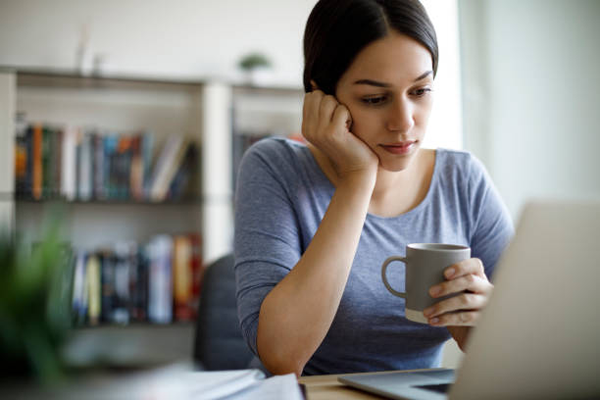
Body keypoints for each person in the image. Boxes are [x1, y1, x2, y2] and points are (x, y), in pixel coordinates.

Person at [234, 0, 513, 377]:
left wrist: (487, 326)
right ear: (322, 97)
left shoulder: (462, 179)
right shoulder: (276, 167)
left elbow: (528, 342)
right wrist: (357, 177)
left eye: (420, 91)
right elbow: (282, 356)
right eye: (374, 99)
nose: (404, 122)